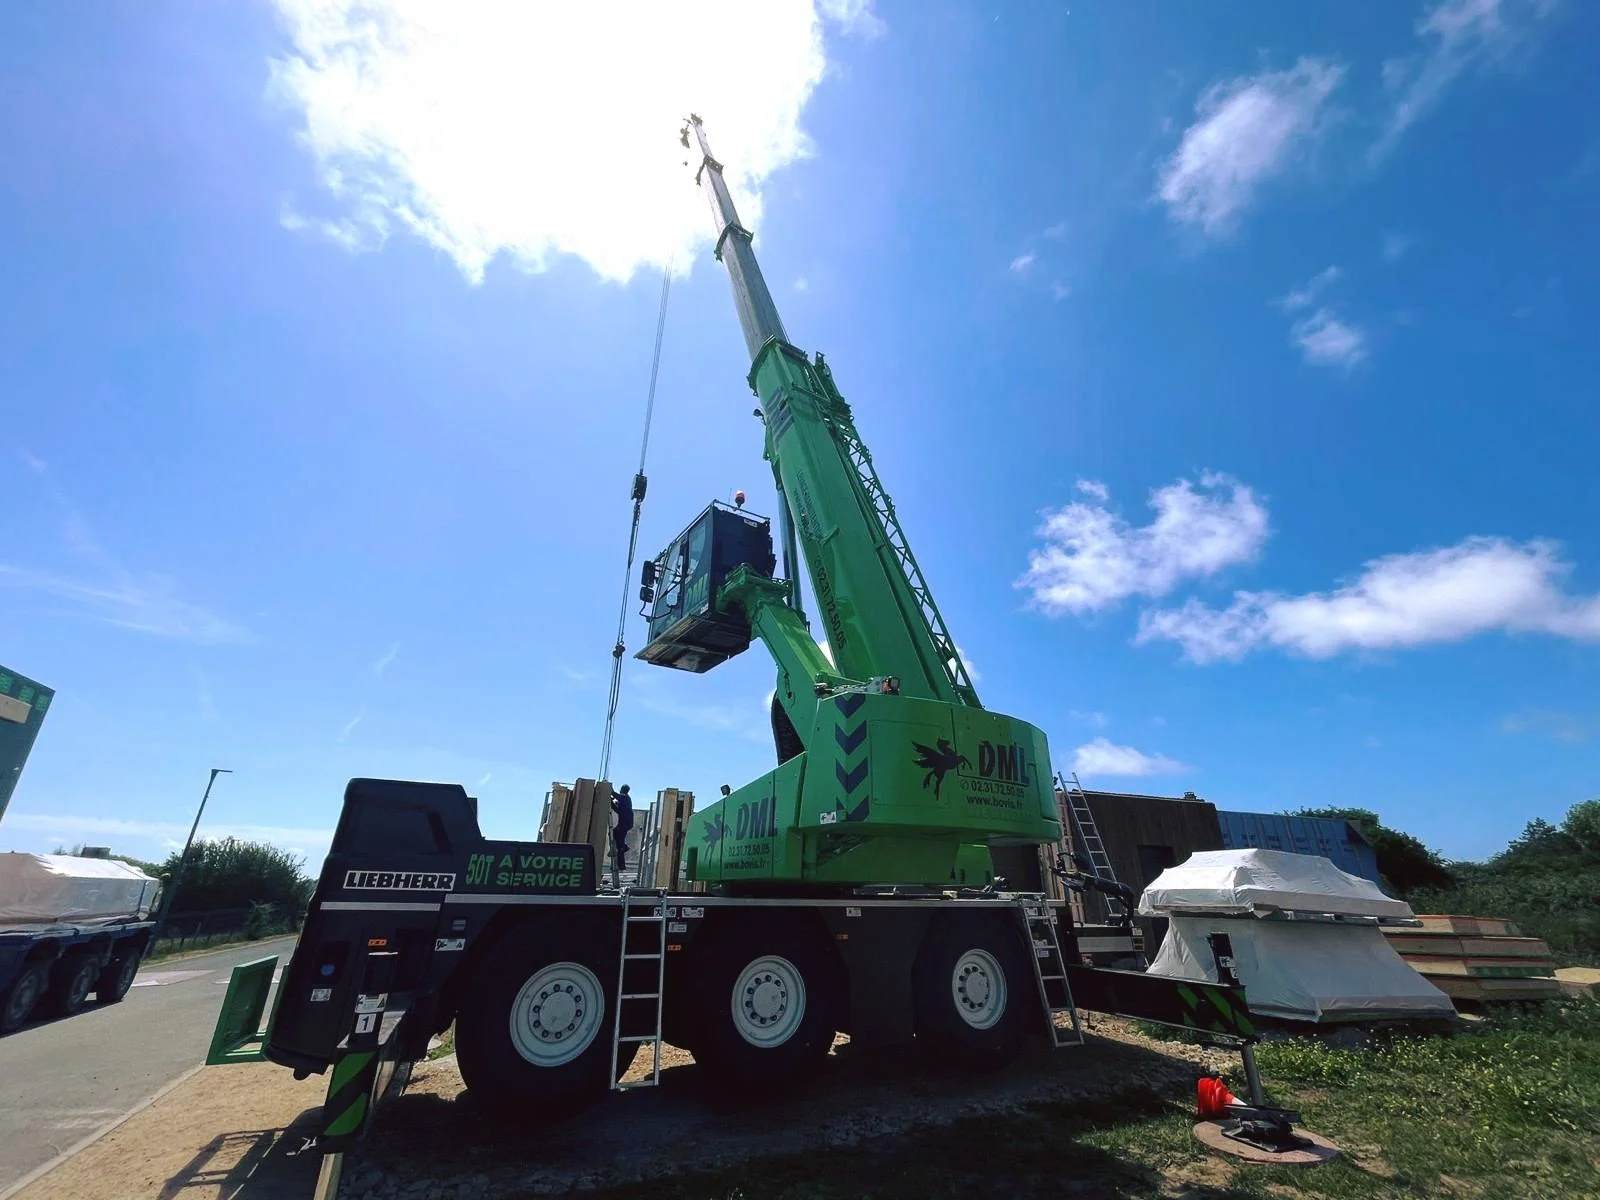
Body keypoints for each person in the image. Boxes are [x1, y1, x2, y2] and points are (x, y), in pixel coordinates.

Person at [611, 783, 635, 871]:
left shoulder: (625, 797)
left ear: (623, 790)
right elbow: (617, 810)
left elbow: (616, 795)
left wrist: (610, 789)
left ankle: (621, 865)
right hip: (624, 823)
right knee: (614, 833)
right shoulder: (624, 799)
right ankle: (624, 847)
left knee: (619, 842)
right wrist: (611, 802)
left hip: (625, 823)